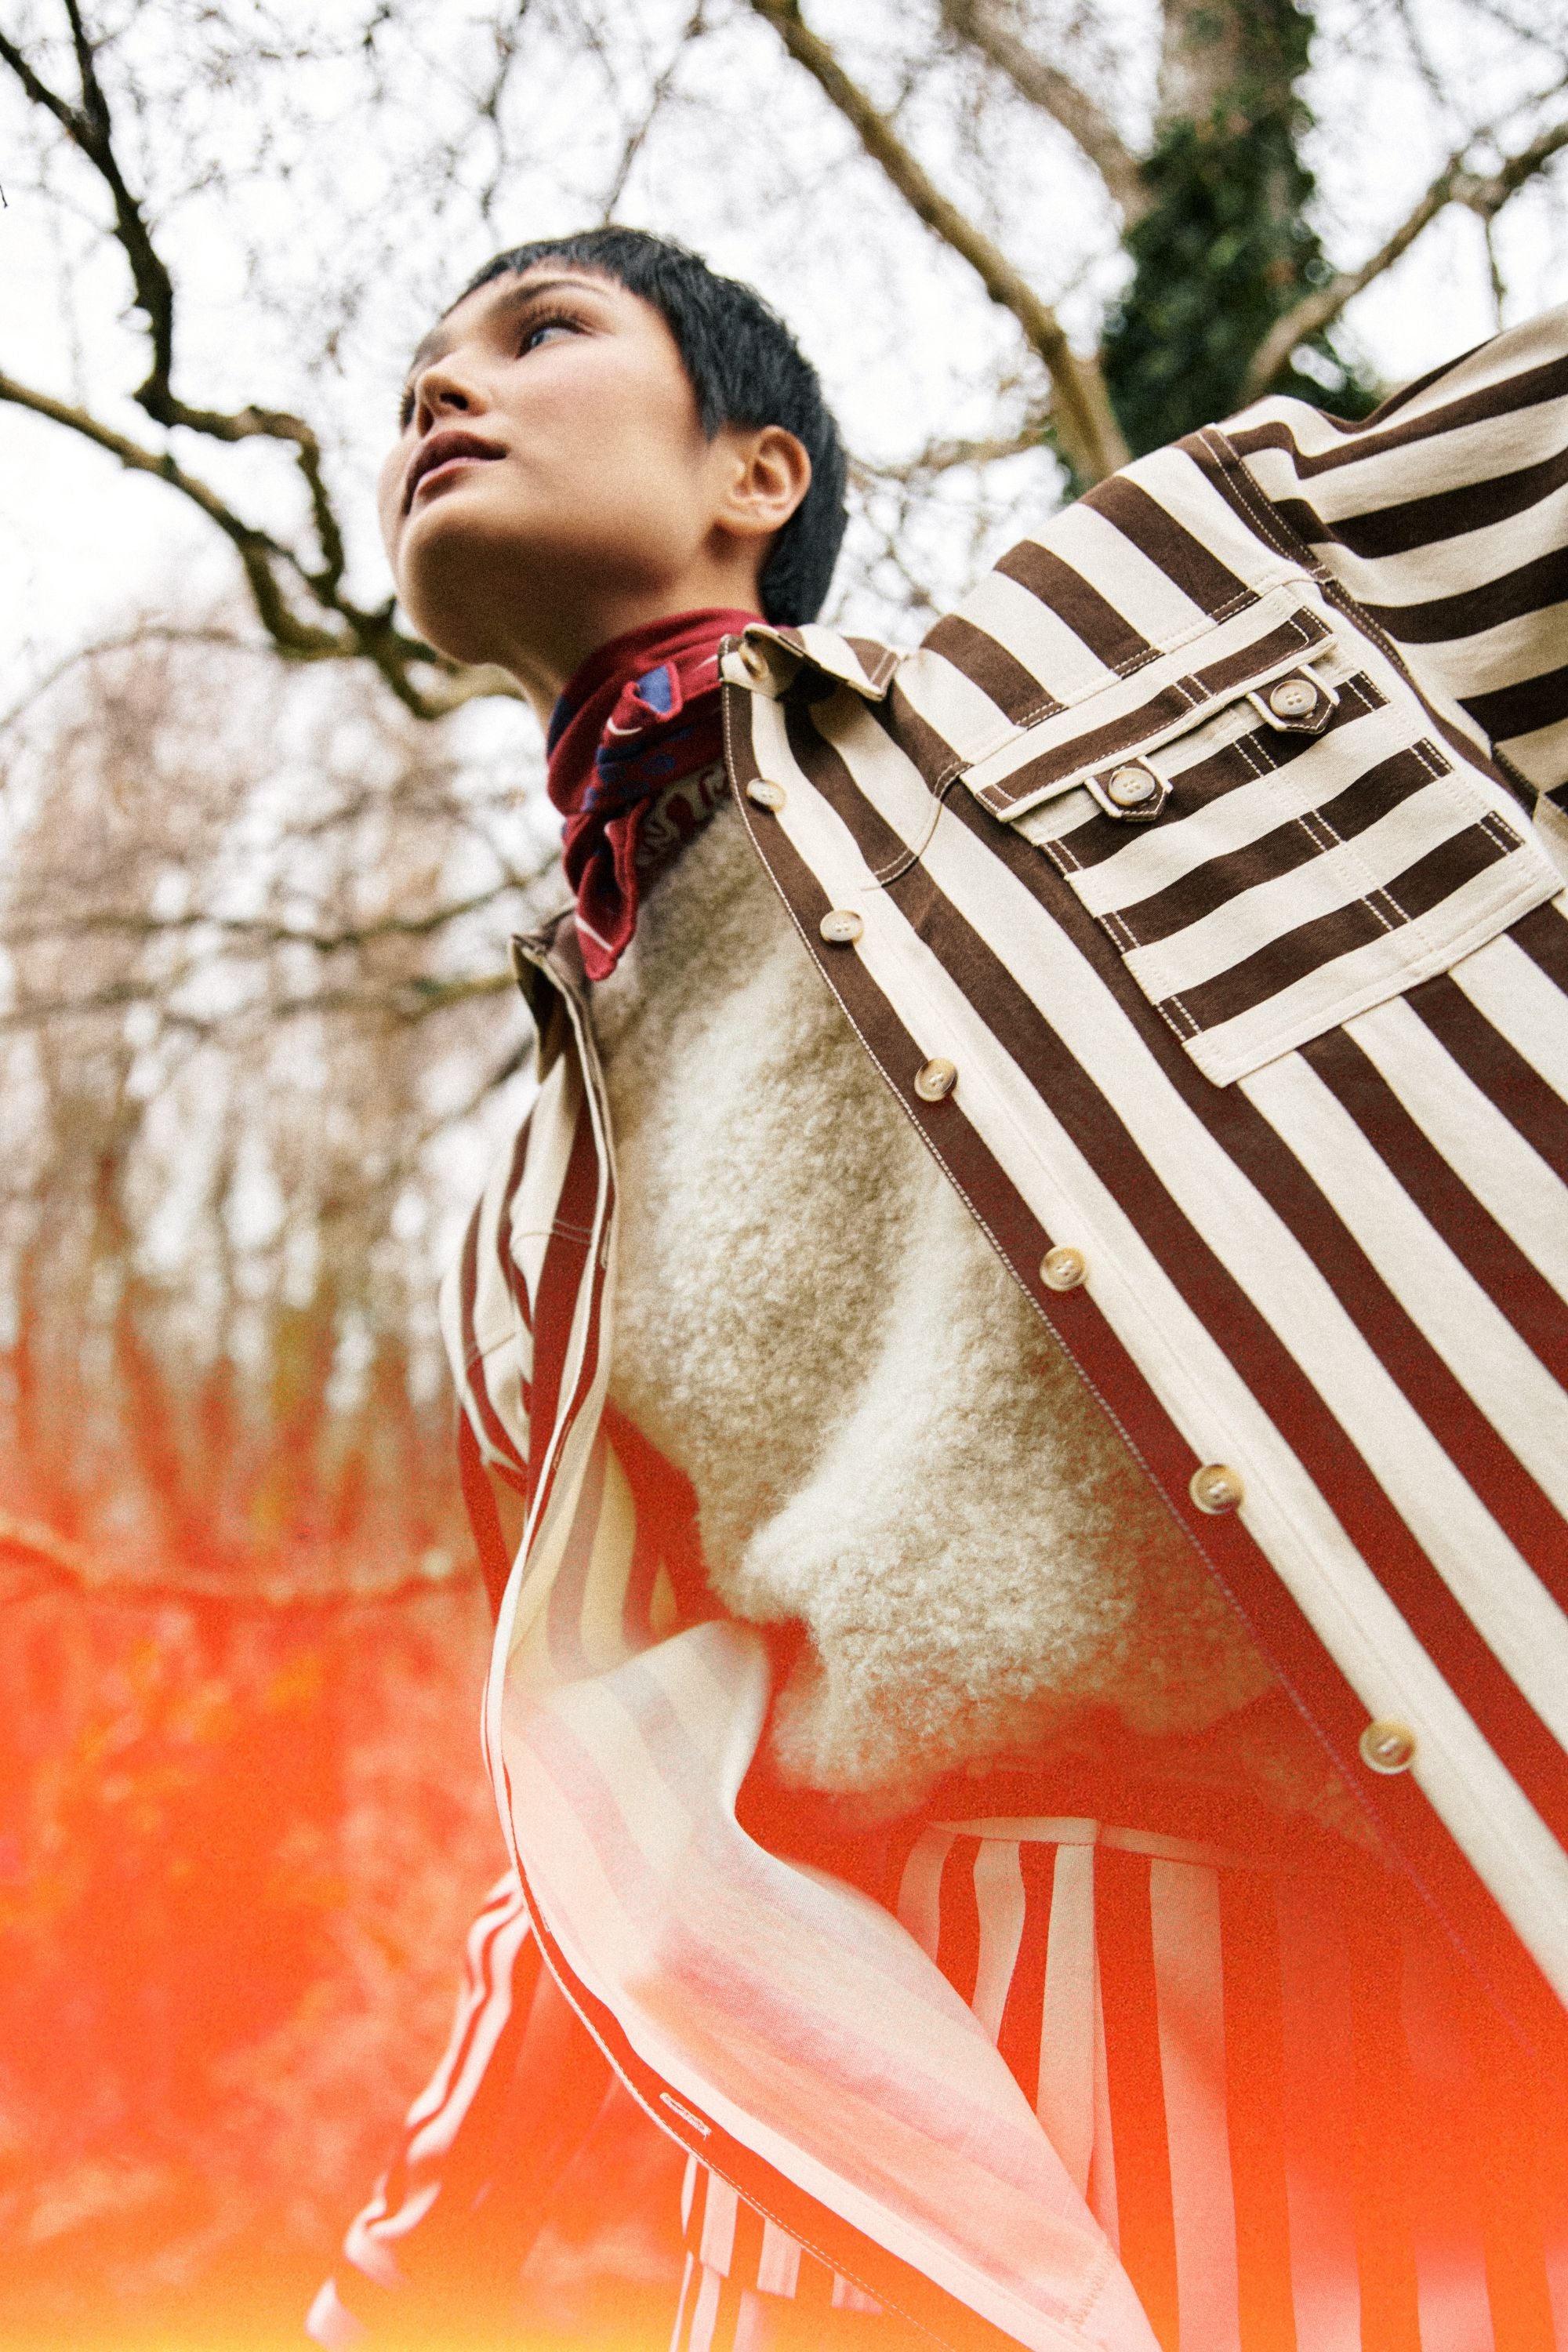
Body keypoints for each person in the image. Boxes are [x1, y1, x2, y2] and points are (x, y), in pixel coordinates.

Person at [310, 227, 1568, 2352]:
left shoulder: (1159, 609)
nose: (443, 392)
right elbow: (590, 1839)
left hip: (1409, 2033)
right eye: (417, 374)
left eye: (539, 335)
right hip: (864, 2191)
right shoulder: (531, 1224)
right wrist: (392, 2282)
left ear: (759, 476)